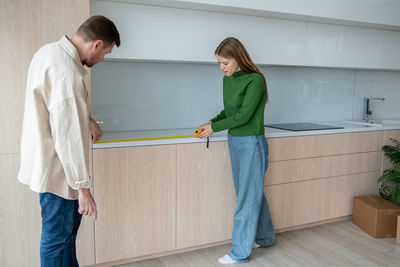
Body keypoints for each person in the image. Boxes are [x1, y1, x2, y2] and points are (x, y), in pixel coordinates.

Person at [17, 15, 120, 267]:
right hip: (60, 172)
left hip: (47, 164)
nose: (103, 58)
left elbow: (59, 106)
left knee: (63, 239)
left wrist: (89, 120)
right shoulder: (68, 73)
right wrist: (83, 189)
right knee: (59, 240)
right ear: (96, 44)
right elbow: (68, 138)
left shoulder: (49, 52)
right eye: (105, 52)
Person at [197, 37, 276, 264]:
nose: (221, 68)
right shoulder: (228, 80)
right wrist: (210, 123)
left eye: (225, 63)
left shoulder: (255, 80)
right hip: (235, 141)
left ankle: (240, 253)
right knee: (251, 194)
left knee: (246, 199)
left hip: (252, 143)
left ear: (238, 58)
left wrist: (215, 128)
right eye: (219, 64)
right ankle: (266, 237)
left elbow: (244, 116)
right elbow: (230, 111)